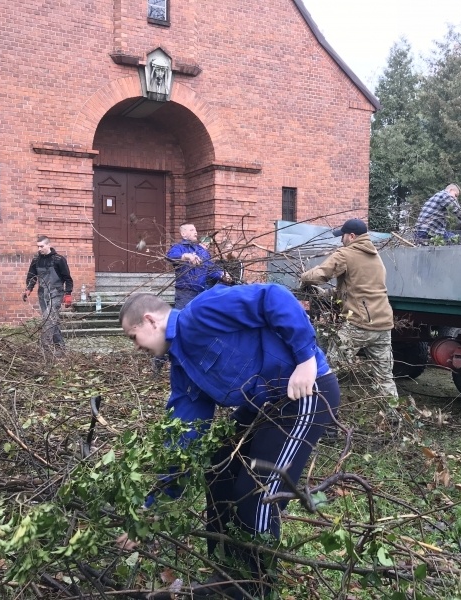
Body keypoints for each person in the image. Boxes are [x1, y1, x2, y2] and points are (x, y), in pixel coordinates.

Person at [119, 284, 340, 598]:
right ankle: (225, 571)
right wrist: (153, 507)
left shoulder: (202, 312)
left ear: (151, 320)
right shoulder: (183, 369)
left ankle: (256, 587)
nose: (136, 347)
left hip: (305, 392)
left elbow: (272, 297)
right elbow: (184, 438)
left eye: (133, 336)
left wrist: (306, 359)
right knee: (218, 467)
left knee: (258, 491)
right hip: (264, 405)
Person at [300, 218, 398, 400]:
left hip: (358, 325)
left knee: (328, 371)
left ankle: (320, 415)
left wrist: (304, 277)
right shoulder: (376, 257)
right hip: (383, 325)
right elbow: (358, 289)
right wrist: (326, 294)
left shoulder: (346, 253)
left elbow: (320, 274)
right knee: (384, 378)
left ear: (351, 236)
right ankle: (394, 418)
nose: (341, 240)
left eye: (343, 236)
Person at [23, 236, 74, 354]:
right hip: (43, 294)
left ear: (48, 245)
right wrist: (28, 288)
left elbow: (67, 278)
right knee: (52, 321)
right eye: (38, 246)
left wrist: (68, 294)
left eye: (42, 246)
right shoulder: (36, 260)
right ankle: (61, 348)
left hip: (56, 293)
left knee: (48, 319)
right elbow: (31, 276)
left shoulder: (59, 259)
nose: (39, 249)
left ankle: (45, 350)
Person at [166, 223, 229, 309]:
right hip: (185, 294)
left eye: (195, 230)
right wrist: (185, 256)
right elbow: (171, 256)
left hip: (201, 293)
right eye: (191, 230)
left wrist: (221, 274)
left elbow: (210, 268)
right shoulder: (178, 248)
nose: (195, 232)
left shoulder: (202, 251)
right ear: (183, 234)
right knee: (183, 319)